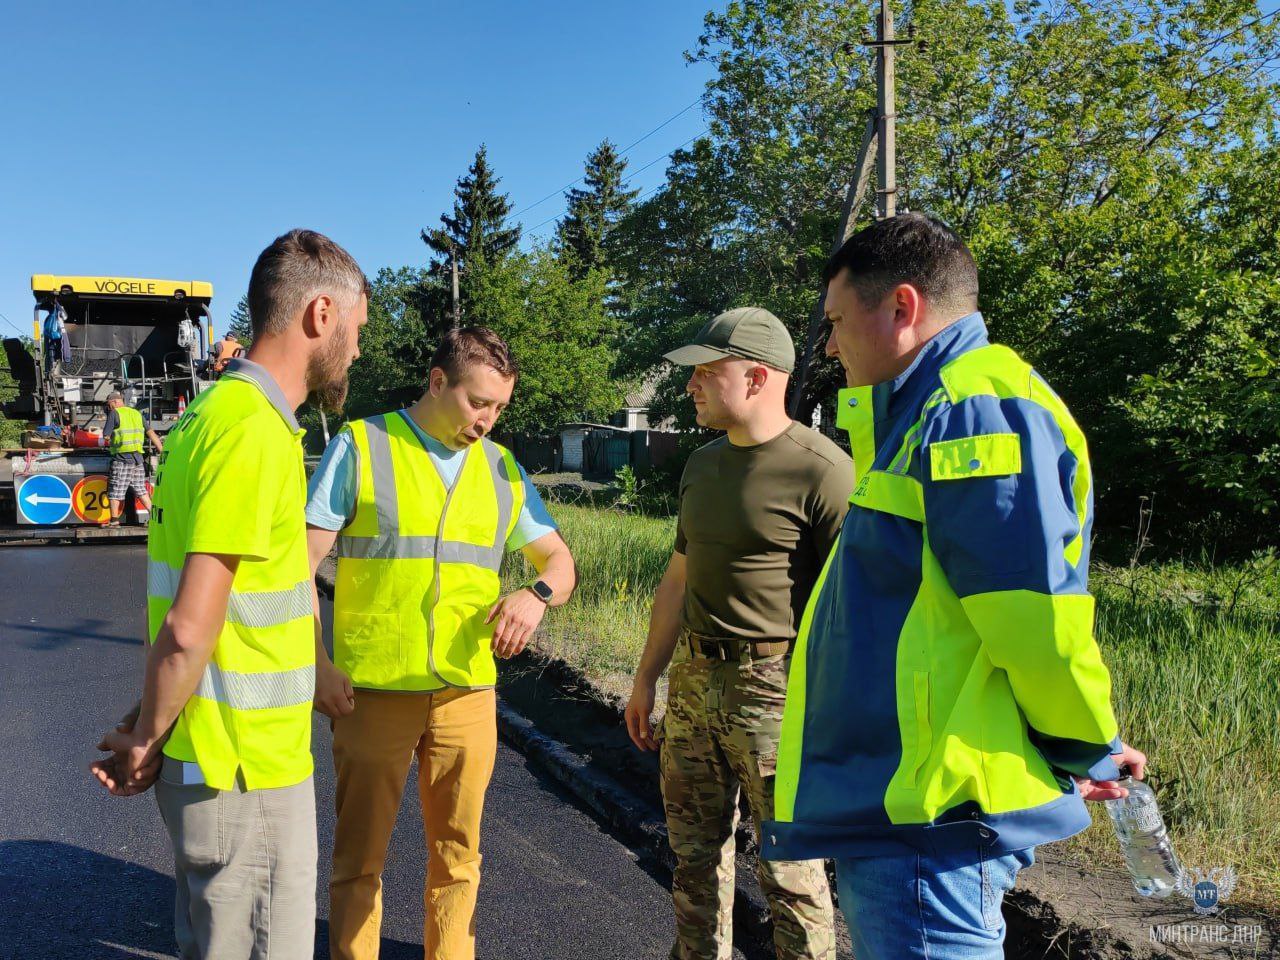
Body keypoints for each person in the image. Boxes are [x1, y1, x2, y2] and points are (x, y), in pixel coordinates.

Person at [761, 214, 1146, 960]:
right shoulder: (928, 414)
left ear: (902, 309)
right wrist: (1080, 751)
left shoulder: (974, 409)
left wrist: (1084, 744)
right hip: (913, 810)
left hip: (930, 820)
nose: (830, 347)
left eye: (837, 322)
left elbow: (1029, 615)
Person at [90, 228, 369, 960]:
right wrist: (145, 737)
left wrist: (148, 721)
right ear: (320, 315)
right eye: (358, 326)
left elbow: (205, 615)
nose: (360, 351)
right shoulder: (253, 432)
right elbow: (190, 626)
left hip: (212, 758)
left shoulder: (205, 419)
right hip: (246, 774)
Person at [305, 325, 577, 960]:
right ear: (437, 382)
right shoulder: (365, 445)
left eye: (499, 407)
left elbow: (559, 562)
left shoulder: (501, 468)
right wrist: (315, 662)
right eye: (477, 402)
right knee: (359, 859)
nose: (487, 420)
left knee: (460, 857)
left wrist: (535, 596)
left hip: (467, 692)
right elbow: (300, 562)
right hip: (373, 690)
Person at [624, 307, 849, 960]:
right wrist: (646, 679)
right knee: (693, 860)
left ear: (755, 377)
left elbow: (848, 610)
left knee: (792, 874)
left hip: (778, 693)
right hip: (694, 683)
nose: (690, 384)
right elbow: (677, 581)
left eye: (705, 372)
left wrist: (835, 720)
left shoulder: (823, 471)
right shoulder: (701, 465)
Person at [100, 391, 165, 526]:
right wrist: (161, 451)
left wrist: (105, 440)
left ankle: (114, 521)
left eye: (109, 405)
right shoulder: (136, 413)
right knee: (141, 489)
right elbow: (151, 433)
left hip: (122, 459)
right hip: (138, 459)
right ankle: (154, 519)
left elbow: (106, 436)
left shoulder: (114, 413)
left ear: (115, 402)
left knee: (115, 490)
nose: (109, 408)